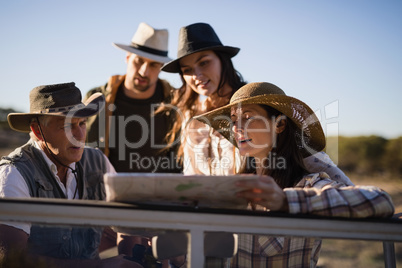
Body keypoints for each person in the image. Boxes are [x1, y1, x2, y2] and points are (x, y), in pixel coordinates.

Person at [195, 82, 395, 267]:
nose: (237, 127)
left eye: (248, 117)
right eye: (234, 120)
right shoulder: (232, 188)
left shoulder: (307, 185)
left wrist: (284, 201)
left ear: (279, 125)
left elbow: (380, 200)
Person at [161, 22, 352, 186]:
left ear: (223, 61)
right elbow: (192, 178)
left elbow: (305, 157)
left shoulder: (259, 105)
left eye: (204, 63)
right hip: (209, 221)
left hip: (256, 216)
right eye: (187, 70)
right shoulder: (192, 121)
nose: (197, 76)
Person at [0, 82, 141, 267]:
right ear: (37, 131)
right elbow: (11, 260)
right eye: (67, 126)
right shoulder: (14, 174)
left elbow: (128, 219)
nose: (80, 135)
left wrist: (131, 259)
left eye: (82, 123)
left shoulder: (97, 162)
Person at [85, 22, 181, 174]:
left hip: (162, 194)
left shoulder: (176, 102)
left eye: (154, 65)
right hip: (108, 194)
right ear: (127, 57)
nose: (144, 71)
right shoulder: (97, 99)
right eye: (140, 61)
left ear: (162, 67)